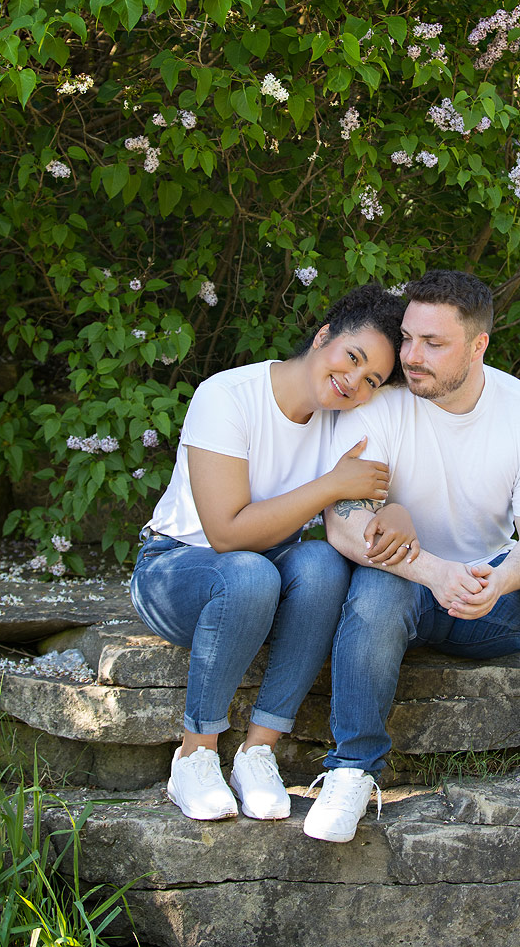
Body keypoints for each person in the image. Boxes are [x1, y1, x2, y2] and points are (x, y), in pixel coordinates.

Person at [302, 269, 520, 855]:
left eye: (433, 343)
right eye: (408, 338)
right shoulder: (379, 406)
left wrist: (498, 580)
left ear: (478, 345)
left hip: (489, 588)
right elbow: (344, 520)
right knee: (376, 592)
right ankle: (352, 771)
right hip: (409, 578)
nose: (411, 356)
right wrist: (434, 571)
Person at [130, 283, 411, 823]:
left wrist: (397, 511)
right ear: (324, 335)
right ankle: (195, 754)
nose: (354, 382)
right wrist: (330, 485)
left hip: (262, 573)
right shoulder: (227, 395)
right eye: (351, 358)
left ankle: (258, 751)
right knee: (249, 573)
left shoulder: (344, 419)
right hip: (177, 567)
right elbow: (226, 534)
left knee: (325, 563)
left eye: (372, 379)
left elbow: (370, 505)